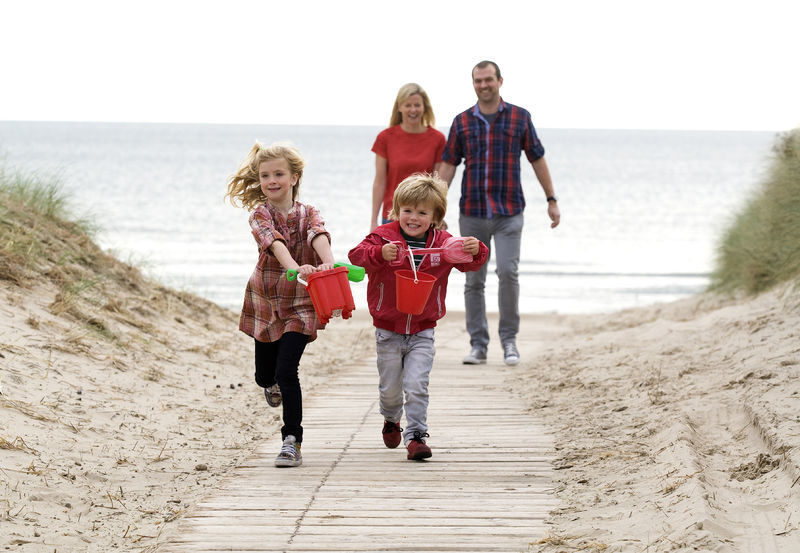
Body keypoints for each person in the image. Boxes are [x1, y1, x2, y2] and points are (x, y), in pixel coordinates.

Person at [349, 173, 488, 460]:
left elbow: (470, 264)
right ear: (397, 210)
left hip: (423, 329)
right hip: (388, 329)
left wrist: (477, 249)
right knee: (390, 389)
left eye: (422, 212)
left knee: (416, 385)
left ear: (436, 217)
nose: (413, 217)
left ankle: (416, 436)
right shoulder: (384, 236)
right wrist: (380, 253)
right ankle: (391, 418)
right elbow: (356, 255)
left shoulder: (445, 244)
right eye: (407, 210)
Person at [438, 60, 561, 367]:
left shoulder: (520, 117)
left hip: (509, 212)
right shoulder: (462, 122)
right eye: (478, 81)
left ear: (500, 81)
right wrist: (436, 208)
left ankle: (509, 342)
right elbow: (448, 166)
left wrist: (551, 199)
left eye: (488, 79)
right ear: (473, 84)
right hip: (473, 212)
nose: (484, 85)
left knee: (508, 272)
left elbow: (537, 158)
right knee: (473, 280)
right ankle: (478, 345)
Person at [225, 142, 335, 468]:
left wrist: (328, 262)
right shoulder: (259, 214)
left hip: (302, 302)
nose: (272, 180)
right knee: (265, 375)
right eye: (265, 176)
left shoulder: (310, 211)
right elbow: (274, 243)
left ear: (294, 177)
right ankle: (268, 383)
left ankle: (292, 441)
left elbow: (318, 234)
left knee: (288, 371)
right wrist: (294, 266)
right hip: (267, 299)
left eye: (278, 174)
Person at [370, 83, 446, 231]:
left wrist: (439, 217)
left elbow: (438, 184)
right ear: (399, 107)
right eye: (408, 105)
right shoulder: (385, 138)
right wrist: (373, 221)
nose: (413, 110)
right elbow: (379, 182)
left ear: (424, 107)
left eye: (417, 105)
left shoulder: (438, 139)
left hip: (425, 217)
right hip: (392, 215)